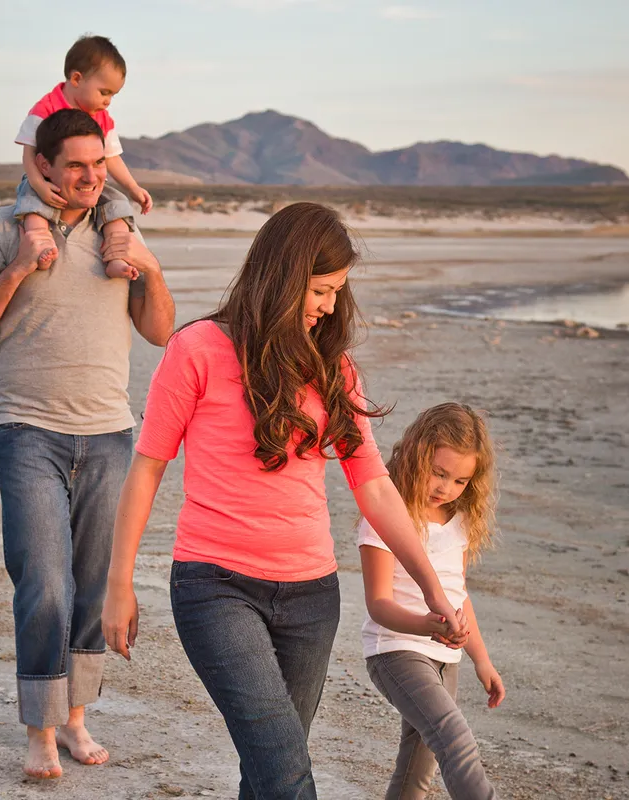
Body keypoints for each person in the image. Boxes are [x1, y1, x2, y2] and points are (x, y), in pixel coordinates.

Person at [101, 202, 465, 799]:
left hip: (312, 598)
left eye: (336, 292)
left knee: (269, 772)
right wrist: (118, 585)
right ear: (284, 276)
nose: (327, 306)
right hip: (215, 587)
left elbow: (373, 485)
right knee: (285, 770)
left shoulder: (333, 368)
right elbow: (146, 471)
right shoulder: (196, 349)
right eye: (320, 289)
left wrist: (430, 585)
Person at [0, 108, 175, 780]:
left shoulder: (120, 234)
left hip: (108, 434)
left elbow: (160, 332)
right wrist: (18, 267)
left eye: (98, 164)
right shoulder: (9, 227)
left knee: (88, 585)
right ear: (43, 165)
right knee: (43, 582)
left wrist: (152, 272)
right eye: (75, 165)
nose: (88, 176)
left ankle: (76, 719)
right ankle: (40, 730)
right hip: (26, 430)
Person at [358, 402, 505, 799]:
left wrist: (482, 659)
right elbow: (378, 604)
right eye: (438, 473)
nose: (446, 488)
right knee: (455, 738)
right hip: (396, 650)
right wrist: (428, 624)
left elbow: (459, 594)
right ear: (415, 454)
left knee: (417, 772)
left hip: (447, 659)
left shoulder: (458, 520)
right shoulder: (388, 516)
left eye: (459, 481)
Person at [14, 34, 152, 280]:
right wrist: (40, 186)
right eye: (104, 92)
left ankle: (116, 257)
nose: (107, 101)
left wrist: (132, 187)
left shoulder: (102, 118)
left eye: (113, 95)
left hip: (88, 187)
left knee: (116, 205)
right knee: (31, 203)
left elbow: (110, 158)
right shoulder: (44, 109)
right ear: (77, 78)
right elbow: (29, 155)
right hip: (42, 179)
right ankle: (40, 245)